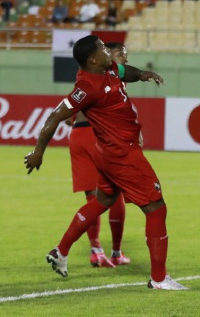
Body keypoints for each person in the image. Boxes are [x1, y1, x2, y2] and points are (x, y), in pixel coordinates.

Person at [25, 35, 187, 290]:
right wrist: (38, 152)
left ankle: (62, 250)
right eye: (102, 48)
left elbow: (126, 72)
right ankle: (159, 279)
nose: (108, 51)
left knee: (104, 200)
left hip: (108, 153)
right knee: (156, 207)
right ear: (92, 59)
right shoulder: (87, 88)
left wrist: (143, 73)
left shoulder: (110, 67)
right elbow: (55, 116)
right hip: (122, 155)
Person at [64, 42, 132, 268]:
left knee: (93, 198)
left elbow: (68, 113)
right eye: (120, 54)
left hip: (77, 136)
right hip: (98, 137)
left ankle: (96, 251)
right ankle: (116, 252)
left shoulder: (86, 74)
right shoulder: (109, 76)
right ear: (105, 55)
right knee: (114, 194)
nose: (125, 59)